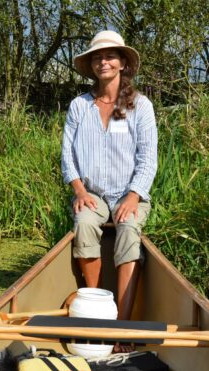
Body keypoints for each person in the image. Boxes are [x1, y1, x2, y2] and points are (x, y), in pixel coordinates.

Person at [61, 30, 157, 320]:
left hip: (129, 193)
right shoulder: (80, 106)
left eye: (110, 56)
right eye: (97, 57)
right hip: (92, 193)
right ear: (91, 66)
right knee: (85, 223)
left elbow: (148, 158)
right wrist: (79, 191)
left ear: (123, 63)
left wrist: (132, 196)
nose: (103, 62)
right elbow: (67, 155)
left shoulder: (140, 106)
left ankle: (123, 322)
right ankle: (99, 311)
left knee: (127, 229)